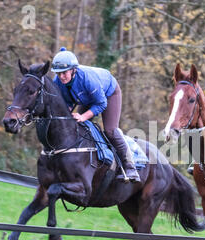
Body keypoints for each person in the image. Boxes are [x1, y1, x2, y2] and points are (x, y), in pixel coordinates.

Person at [51, 47, 140, 182]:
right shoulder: (57, 81)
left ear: (73, 69)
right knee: (76, 127)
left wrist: (82, 116)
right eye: (58, 74)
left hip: (108, 94)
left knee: (110, 131)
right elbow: (67, 103)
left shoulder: (87, 78)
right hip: (85, 97)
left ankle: (130, 167)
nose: (61, 77)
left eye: (64, 73)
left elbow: (101, 104)